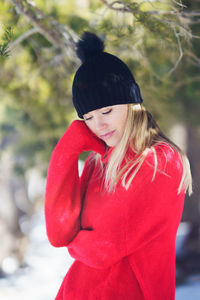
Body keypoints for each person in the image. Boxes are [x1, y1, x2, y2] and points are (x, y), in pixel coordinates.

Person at [44, 32, 192, 300]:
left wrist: (74, 243)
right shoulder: (97, 164)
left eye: (107, 111)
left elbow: (103, 249)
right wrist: (66, 150)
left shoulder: (160, 161)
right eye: (88, 117)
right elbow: (58, 234)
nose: (98, 125)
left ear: (131, 102)